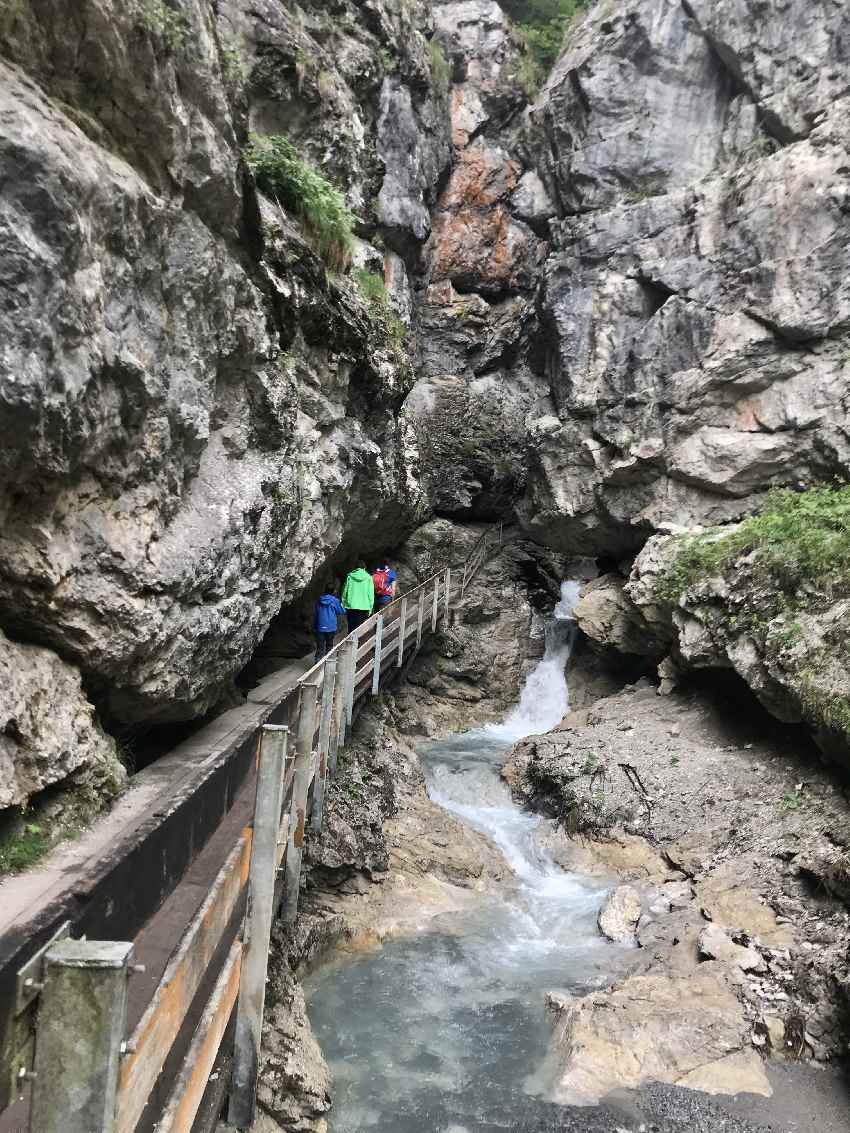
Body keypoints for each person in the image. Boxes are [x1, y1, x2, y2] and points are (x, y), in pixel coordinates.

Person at [313, 588, 346, 662]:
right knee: (329, 645)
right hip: (331, 627)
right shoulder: (335, 600)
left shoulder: (319, 600)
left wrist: (315, 625)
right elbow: (341, 611)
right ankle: (328, 663)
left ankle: (317, 664)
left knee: (320, 646)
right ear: (334, 591)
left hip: (320, 625)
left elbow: (316, 613)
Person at [341, 560, 374, 632]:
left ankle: (351, 642)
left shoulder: (350, 577)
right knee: (360, 629)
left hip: (351, 606)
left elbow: (345, 591)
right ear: (364, 568)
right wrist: (371, 608)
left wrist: (343, 603)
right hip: (364, 606)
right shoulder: (368, 578)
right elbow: (370, 594)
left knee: (351, 628)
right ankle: (358, 642)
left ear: (355, 568)